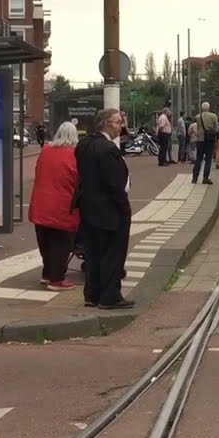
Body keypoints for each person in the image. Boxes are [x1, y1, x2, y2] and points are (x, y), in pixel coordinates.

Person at [74, 108, 134, 309]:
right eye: (118, 122)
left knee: (93, 253)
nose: (121, 126)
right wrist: (123, 206)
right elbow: (114, 183)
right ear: (106, 124)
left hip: (88, 208)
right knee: (112, 253)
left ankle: (92, 294)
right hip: (109, 210)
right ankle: (110, 296)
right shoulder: (108, 149)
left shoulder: (84, 145)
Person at [29, 122, 81, 291]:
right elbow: (78, 179)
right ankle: (57, 279)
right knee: (61, 244)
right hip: (62, 206)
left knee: (45, 241)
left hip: (41, 204)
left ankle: (47, 273)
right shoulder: (75, 155)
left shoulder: (45, 151)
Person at [193, 102, 219, 185]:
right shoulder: (213, 116)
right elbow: (216, 128)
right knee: (208, 159)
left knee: (198, 159)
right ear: (209, 107)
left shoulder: (197, 117)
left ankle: (195, 177)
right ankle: (205, 178)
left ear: (201, 108)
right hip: (209, 140)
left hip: (200, 139)